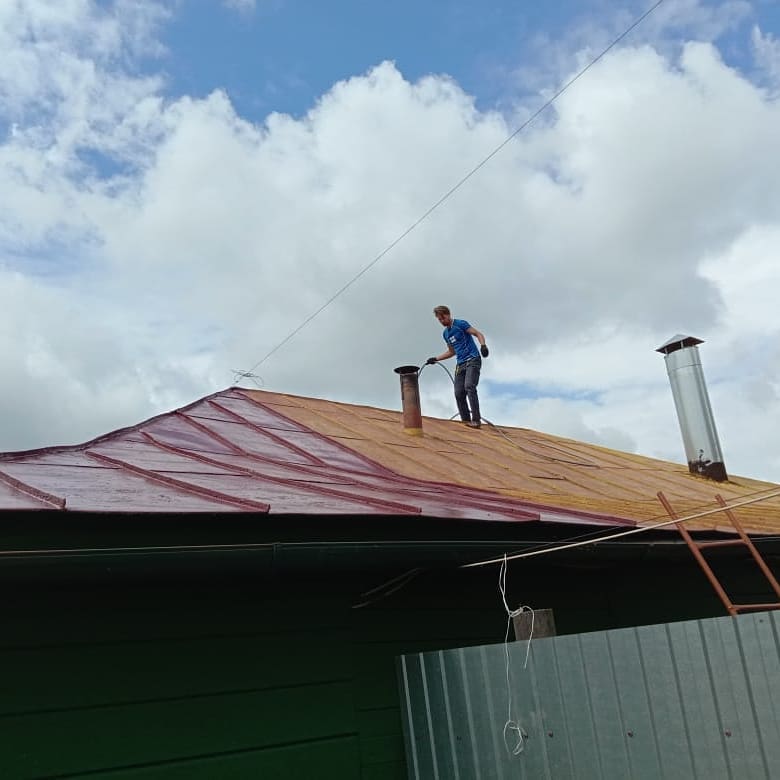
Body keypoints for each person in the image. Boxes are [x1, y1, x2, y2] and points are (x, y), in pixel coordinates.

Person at [426, 305, 489, 428]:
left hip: (472, 360)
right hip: (460, 364)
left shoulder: (460, 324)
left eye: (443, 318)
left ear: (448, 314)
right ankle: (466, 420)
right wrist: (436, 359)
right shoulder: (446, 334)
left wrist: (483, 346)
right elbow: (451, 352)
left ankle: (476, 420)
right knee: (458, 393)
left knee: (469, 386)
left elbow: (478, 333)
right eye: (439, 320)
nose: (442, 321)